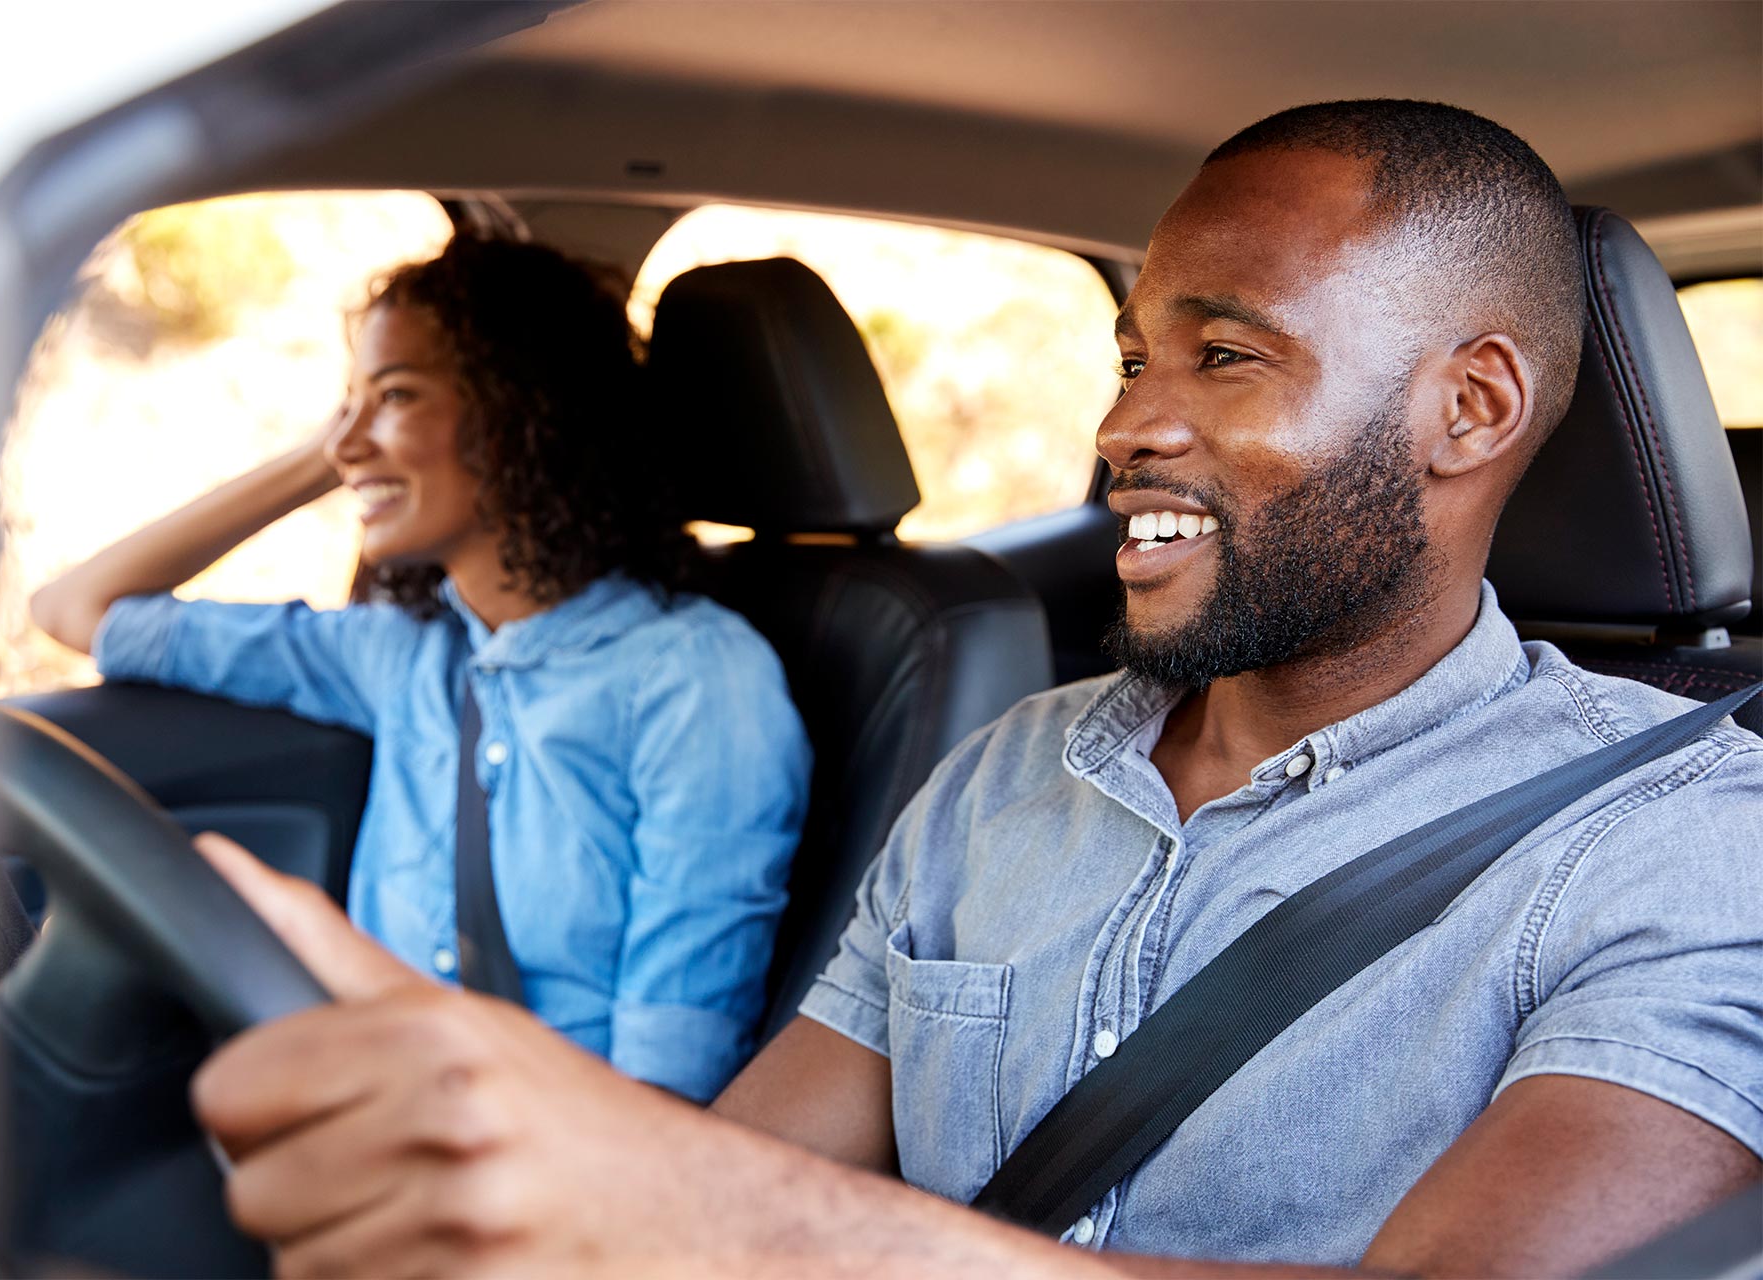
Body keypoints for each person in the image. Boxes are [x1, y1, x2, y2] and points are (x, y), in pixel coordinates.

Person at [186, 102, 1762, 1277]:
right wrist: (506, 1133)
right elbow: (741, 1178)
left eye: (1223, 357)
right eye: (1132, 355)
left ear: (1469, 408)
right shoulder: (1011, 772)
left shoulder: (1681, 836)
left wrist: (687, 1197)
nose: (1127, 425)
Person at [30, 234, 812, 1103]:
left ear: (526, 415)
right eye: (345, 408)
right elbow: (76, 612)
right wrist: (325, 456)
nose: (348, 445)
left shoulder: (698, 682)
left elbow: (665, 1093)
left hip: (559, 1167)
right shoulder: (398, 652)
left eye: (395, 396)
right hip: (372, 1114)